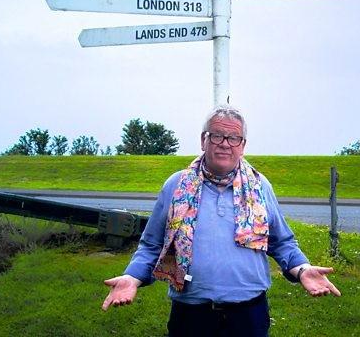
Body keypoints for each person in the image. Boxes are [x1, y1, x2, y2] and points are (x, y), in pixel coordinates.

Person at [101, 105, 341, 336]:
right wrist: (132, 277)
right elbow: (152, 245)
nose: (225, 144)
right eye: (217, 136)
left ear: (243, 145)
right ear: (203, 140)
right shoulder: (176, 185)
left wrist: (303, 270)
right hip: (191, 314)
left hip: (249, 315)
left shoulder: (260, 186)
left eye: (234, 137)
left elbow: (282, 242)